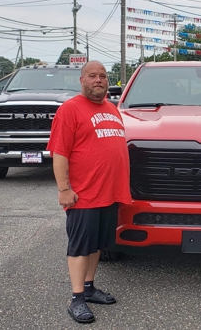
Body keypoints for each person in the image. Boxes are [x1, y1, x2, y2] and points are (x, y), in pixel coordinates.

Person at [46, 60, 131, 324]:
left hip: (109, 193)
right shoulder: (69, 110)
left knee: (96, 246)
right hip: (83, 195)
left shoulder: (112, 109)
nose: (98, 80)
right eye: (92, 76)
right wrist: (64, 189)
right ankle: (77, 298)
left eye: (103, 76)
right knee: (81, 247)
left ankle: (90, 287)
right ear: (82, 80)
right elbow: (59, 152)